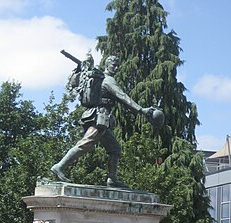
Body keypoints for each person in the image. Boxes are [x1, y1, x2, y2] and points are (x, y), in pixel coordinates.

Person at [51, 55, 164, 188]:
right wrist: (141, 110)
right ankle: (59, 166)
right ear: (106, 64)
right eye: (113, 65)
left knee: (115, 149)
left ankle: (112, 178)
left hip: (98, 117)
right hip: (100, 117)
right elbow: (123, 97)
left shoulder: (102, 79)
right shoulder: (108, 81)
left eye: (117, 66)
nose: (116, 68)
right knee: (85, 143)